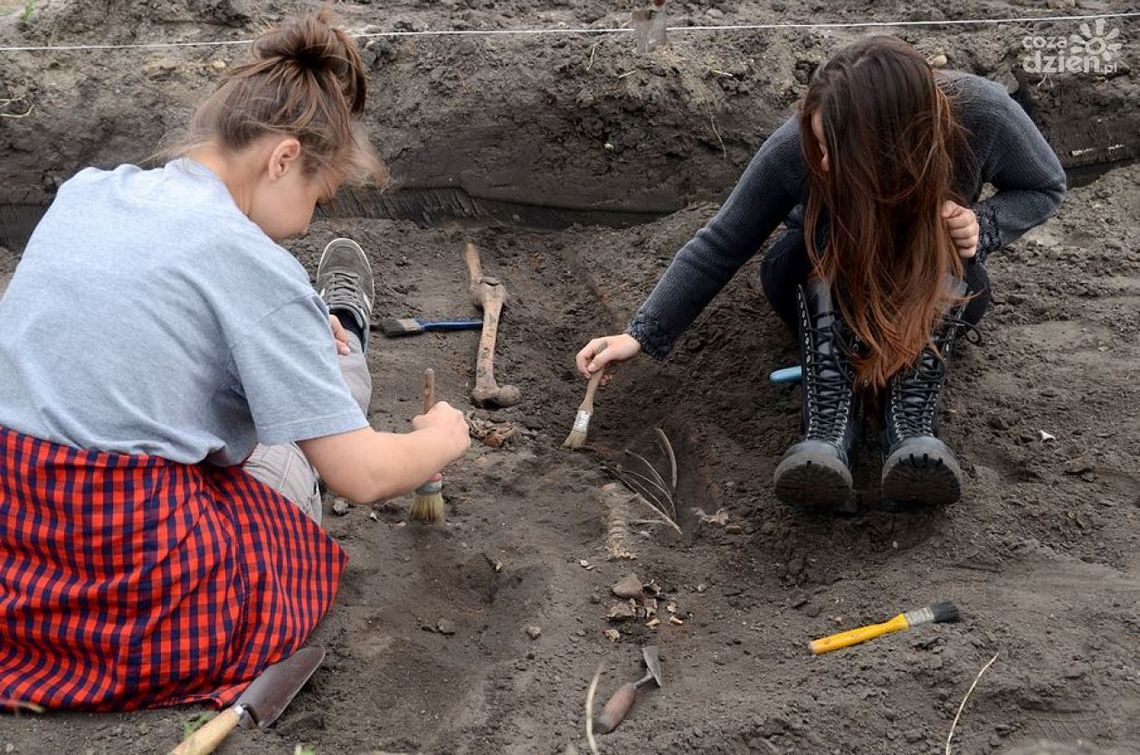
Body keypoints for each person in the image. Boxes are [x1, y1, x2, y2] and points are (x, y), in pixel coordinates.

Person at [0, 13, 469, 711]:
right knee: (301, 450)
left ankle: (326, 337)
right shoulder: (252, 262)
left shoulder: (89, 191)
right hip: (132, 593)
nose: (306, 223)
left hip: (17, 560)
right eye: (316, 197)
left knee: (274, 376)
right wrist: (443, 438)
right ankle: (344, 332)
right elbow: (364, 475)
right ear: (283, 158)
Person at [576, 36, 1065, 509]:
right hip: (816, 284)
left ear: (896, 144)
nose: (824, 163)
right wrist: (640, 334)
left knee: (944, 243)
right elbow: (724, 240)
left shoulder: (981, 113)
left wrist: (983, 224)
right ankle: (827, 428)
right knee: (812, 245)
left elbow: (1044, 186)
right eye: (819, 145)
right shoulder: (795, 147)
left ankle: (912, 427)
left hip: (931, 290)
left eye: (838, 151)